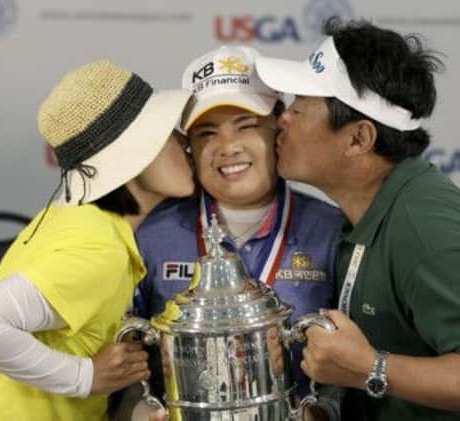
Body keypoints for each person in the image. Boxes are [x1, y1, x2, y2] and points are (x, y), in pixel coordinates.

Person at [254, 18, 460, 420]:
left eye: (300, 107)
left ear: (358, 139)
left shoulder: (425, 228)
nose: (282, 119)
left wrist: (368, 368)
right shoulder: (371, 211)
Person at [0, 60, 195, 421]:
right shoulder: (99, 247)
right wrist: (86, 377)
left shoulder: (75, 222)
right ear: (135, 157)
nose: (184, 143)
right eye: (167, 133)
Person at [121, 45, 345, 420]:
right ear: (188, 147)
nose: (228, 148)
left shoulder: (332, 230)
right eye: (207, 134)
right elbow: (126, 361)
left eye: (246, 125)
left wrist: (317, 415)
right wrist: (138, 411)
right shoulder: (152, 235)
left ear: (279, 127)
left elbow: (356, 368)